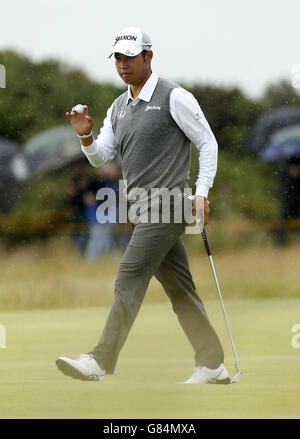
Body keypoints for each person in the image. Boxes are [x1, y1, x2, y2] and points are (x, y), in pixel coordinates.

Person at [56, 26, 230, 384]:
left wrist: (202, 192)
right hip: (138, 211)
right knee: (181, 292)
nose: (123, 65)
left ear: (148, 56)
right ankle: (212, 364)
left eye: (130, 57)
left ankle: (99, 361)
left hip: (168, 206)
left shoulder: (175, 97)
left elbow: (208, 144)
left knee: (128, 278)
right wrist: (85, 134)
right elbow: (100, 156)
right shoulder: (118, 107)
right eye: (118, 58)